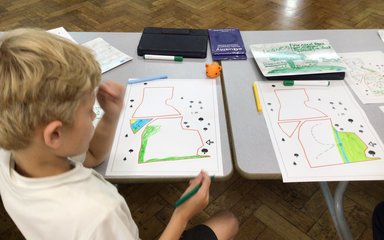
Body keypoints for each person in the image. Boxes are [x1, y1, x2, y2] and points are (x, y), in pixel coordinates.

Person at [0, 28, 239, 240]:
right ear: (54, 135)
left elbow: (92, 156)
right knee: (228, 221)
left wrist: (111, 116)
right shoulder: (100, 213)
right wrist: (181, 215)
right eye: (87, 111)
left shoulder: (15, 147)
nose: (93, 115)